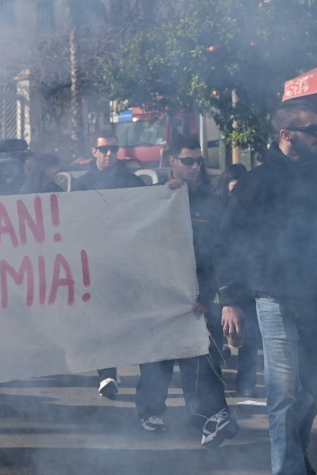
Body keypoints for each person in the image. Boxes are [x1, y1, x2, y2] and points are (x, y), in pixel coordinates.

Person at [216, 99, 317, 475]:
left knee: (309, 393)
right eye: (313, 131)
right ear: (287, 134)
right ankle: (287, 470)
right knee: (283, 393)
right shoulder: (255, 182)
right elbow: (228, 241)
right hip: (273, 299)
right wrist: (230, 299)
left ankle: (295, 459)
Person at [134, 136, 238, 447]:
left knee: (202, 358)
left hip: (196, 298)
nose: (195, 167)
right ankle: (150, 411)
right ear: (172, 161)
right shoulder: (151, 198)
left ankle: (210, 419)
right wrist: (163, 199)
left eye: (199, 161)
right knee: (157, 358)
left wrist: (211, 296)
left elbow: (219, 252)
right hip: (158, 296)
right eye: (188, 161)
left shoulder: (209, 200)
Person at [72, 131, 144, 399]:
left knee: (128, 319)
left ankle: (141, 373)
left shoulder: (133, 182)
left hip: (128, 261)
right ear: (94, 152)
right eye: (104, 149)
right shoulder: (82, 184)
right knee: (101, 318)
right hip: (96, 262)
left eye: (113, 149)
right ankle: (107, 373)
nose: (109, 154)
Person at [212, 163, 259, 397]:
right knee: (217, 334)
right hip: (219, 280)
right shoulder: (216, 209)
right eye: (233, 189)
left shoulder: (250, 209)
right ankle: (215, 383)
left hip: (246, 278)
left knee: (250, 336)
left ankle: (246, 384)